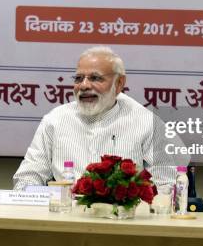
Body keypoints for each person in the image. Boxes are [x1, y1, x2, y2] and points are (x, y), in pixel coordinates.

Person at [13, 46, 182, 190]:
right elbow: (29, 177)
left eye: (95, 78)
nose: (84, 86)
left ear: (119, 84)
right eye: (79, 78)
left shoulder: (146, 123)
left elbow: (165, 185)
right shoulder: (55, 120)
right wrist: (27, 196)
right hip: (65, 217)